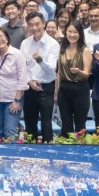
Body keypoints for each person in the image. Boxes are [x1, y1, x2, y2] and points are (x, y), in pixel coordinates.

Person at [20, 13, 59, 142]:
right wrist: (29, 81)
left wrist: (40, 60)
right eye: (31, 25)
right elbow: (22, 67)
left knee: (46, 123)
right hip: (30, 86)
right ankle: (30, 151)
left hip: (46, 87)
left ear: (43, 24)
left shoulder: (53, 44)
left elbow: (52, 69)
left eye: (37, 24)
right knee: (29, 121)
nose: (34, 28)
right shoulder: (25, 43)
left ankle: (48, 150)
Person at [0, 27, 27, 140]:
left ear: (7, 38)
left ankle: (10, 157)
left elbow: (22, 78)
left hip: (13, 99)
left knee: (10, 132)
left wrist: (17, 100)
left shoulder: (17, 54)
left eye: (1, 36)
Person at [54, 24, 92, 136]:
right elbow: (59, 73)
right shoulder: (62, 48)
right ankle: (66, 149)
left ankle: (80, 150)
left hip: (80, 88)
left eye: (75, 32)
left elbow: (86, 74)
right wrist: (56, 91)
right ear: (65, 33)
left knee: (80, 124)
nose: (72, 35)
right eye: (69, 32)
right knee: (66, 124)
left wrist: (78, 71)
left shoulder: (84, 50)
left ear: (80, 33)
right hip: (64, 89)